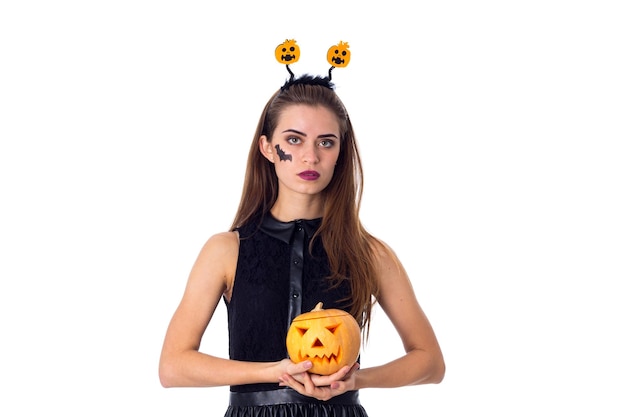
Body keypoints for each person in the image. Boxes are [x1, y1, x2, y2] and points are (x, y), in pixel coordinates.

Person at [159, 44, 445, 416]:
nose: (311, 157)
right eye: (294, 140)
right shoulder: (226, 250)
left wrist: (357, 379)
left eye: (326, 143)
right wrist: (273, 371)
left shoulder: (370, 253)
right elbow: (173, 366)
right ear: (267, 147)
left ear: (340, 153)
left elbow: (430, 362)